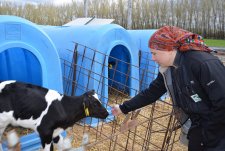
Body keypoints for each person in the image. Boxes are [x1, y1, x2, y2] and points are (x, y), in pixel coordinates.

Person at [111, 26, 225, 151]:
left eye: (155, 53)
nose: (153, 58)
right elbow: (153, 92)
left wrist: (209, 134)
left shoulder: (202, 63)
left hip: (217, 127)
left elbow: (222, 102)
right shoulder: (169, 67)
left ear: (169, 49)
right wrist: (124, 107)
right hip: (198, 124)